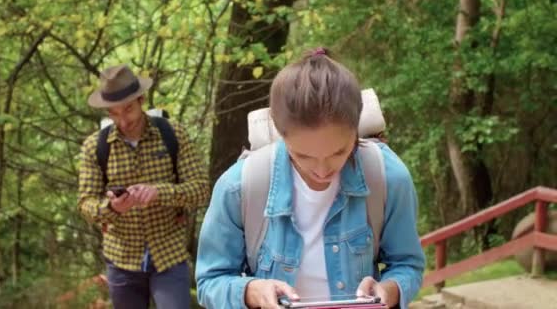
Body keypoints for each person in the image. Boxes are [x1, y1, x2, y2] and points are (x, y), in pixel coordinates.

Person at [195, 49, 425, 308]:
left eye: (339, 151)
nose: (322, 169)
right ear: (280, 133)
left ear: (356, 128)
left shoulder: (386, 176)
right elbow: (210, 281)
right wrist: (253, 291)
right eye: (303, 156)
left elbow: (408, 264)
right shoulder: (240, 186)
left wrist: (388, 290)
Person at [77, 64, 210, 309]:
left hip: (169, 255)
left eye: (127, 109)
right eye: (114, 113)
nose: (123, 120)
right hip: (121, 260)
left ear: (141, 100)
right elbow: (86, 205)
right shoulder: (95, 147)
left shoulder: (173, 134)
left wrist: (161, 193)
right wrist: (113, 207)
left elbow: (201, 189)